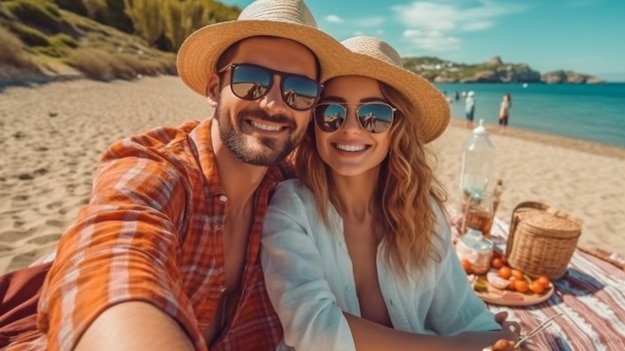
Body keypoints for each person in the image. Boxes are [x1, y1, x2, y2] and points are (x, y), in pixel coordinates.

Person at [0, 0, 349, 350]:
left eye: (299, 91)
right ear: (214, 89)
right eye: (251, 80)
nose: (274, 104)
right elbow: (112, 253)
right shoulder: (161, 169)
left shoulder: (293, 187)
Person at [261, 36, 520, 351]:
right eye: (332, 112)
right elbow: (314, 327)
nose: (351, 128)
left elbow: (460, 311)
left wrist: (497, 339)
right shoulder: (291, 208)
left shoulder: (423, 210)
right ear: (314, 124)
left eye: (375, 114)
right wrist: (455, 346)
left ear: (396, 126)